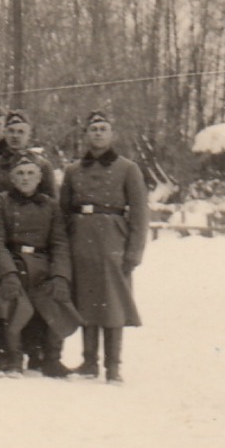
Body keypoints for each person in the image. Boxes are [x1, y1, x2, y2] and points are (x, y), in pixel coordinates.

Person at [59, 110, 148, 383]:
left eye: (103, 128)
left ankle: (113, 365)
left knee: (113, 303)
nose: (98, 133)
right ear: (86, 135)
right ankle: (89, 362)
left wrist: (134, 251)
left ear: (112, 135)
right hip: (81, 241)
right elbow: (63, 213)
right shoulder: (73, 170)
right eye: (93, 129)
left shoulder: (128, 168)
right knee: (86, 301)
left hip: (113, 241)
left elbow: (140, 213)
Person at [0, 152, 79, 377]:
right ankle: (14, 357)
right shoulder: (0, 202)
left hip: (42, 265)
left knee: (58, 294)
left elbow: (59, 244)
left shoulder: (51, 206)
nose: (25, 178)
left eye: (30, 174)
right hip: (13, 261)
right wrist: (6, 272)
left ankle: (52, 358)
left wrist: (60, 276)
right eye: (20, 173)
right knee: (11, 296)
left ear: (39, 179)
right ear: (12, 178)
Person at [0, 109, 58, 205]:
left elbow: (52, 205)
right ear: (5, 133)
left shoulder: (43, 166)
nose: (15, 136)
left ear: (29, 136)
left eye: (21, 132)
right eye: (11, 131)